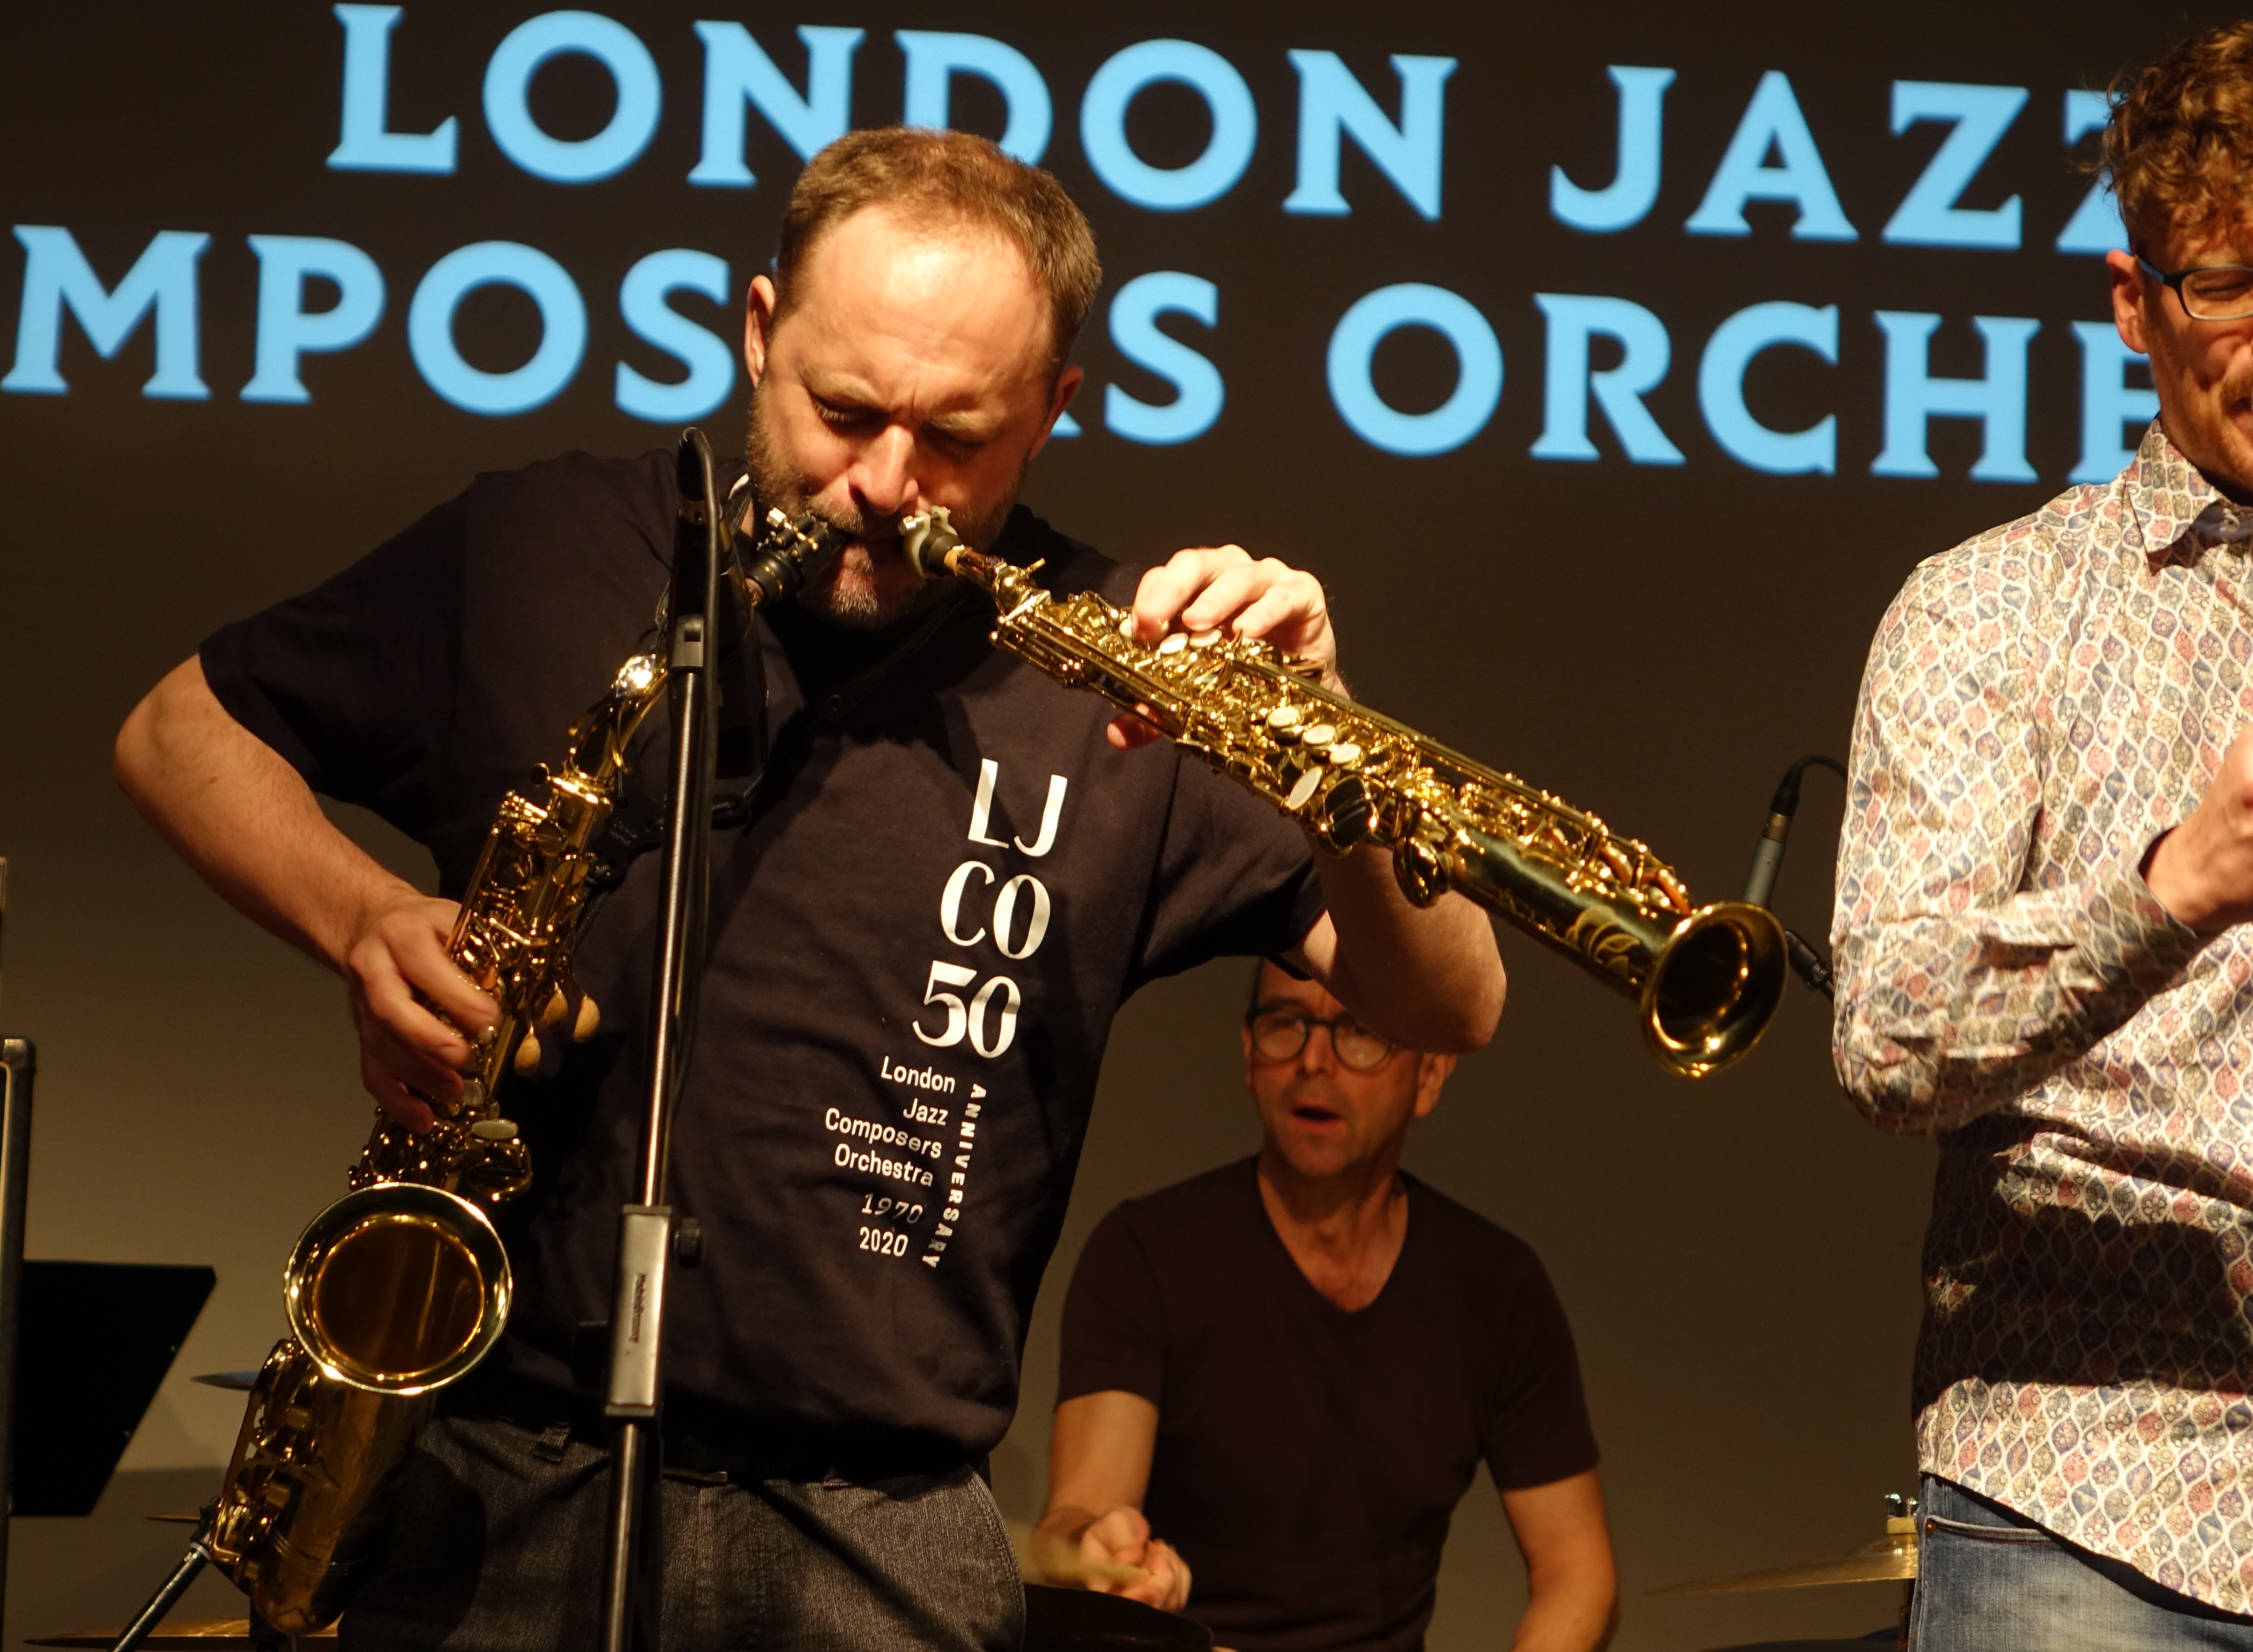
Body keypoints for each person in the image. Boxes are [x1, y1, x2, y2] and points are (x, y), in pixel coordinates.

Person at [112, 128, 1503, 1650]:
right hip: (490, 1475)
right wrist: (365, 915)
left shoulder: (1131, 679)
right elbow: (178, 727)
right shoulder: (544, 540)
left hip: (876, 1533)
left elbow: (1452, 998)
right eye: (843, 412)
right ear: (760, 330)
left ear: (1054, 412)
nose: (885, 488)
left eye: (957, 437)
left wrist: (1337, 747)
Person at [1831, 21, 2253, 1650]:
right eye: (2224, 280)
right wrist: (2164, 889)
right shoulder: (1987, 612)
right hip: (2094, 1495)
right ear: (2132, 302)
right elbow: (1879, 1038)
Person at [1036, 960, 1615, 1652]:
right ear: (1248, 1054)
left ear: (1429, 1075)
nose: (1314, 1060)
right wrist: (1097, 1548)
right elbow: (1080, 1509)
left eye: (1359, 1032)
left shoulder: (1498, 1288)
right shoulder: (1144, 1255)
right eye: (1286, 1023)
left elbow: (1577, 1573)